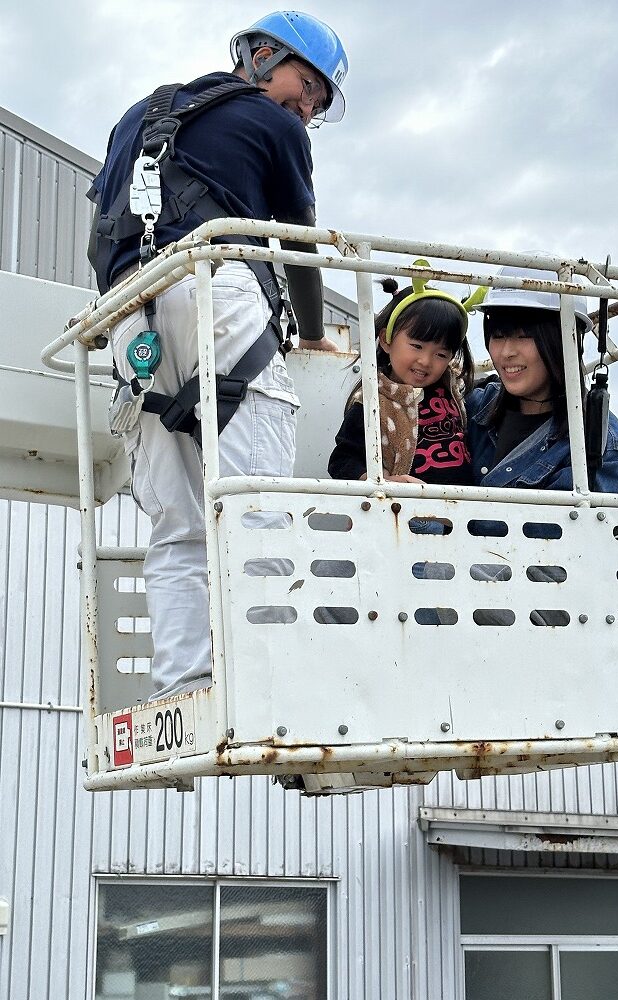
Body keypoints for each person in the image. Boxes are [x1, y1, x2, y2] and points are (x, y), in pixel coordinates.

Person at [88, 11, 348, 699]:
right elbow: (298, 242)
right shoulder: (275, 126)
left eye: (318, 102)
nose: (309, 106)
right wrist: (315, 330)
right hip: (215, 294)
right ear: (261, 57)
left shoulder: (137, 116)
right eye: (307, 83)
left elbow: (106, 214)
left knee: (178, 518)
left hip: (130, 316)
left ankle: (180, 683)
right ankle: (264, 686)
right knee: (254, 499)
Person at [466, 264, 618, 494]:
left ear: (564, 340)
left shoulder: (599, 442)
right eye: (498, 335)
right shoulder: (471, 406)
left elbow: (561, 527)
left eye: (524, 336)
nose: (506, 352)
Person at [328, 265, 476, 486]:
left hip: (461, 510)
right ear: (386, 340)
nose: (426, 361)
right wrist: (386, 482)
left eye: (441, 353)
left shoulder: (455, 390)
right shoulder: (373, 400)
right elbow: (341, 461)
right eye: (416, 345)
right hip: (405, 511)